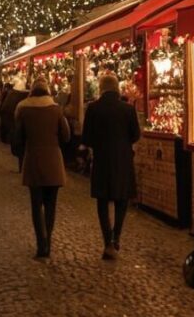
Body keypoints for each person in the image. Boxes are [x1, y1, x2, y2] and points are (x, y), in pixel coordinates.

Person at [81, 73, 141, 260]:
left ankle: (107, 241)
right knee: (121, 200)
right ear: (117, 88)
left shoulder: (93, 108)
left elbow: (87, 137)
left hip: (102, 160)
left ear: (101, 88)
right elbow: (136, 135)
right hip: (123, 160)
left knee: (102, 201)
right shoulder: (128, 109)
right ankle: (116, 237)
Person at [14, 79, 70, 259]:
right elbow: (66, 136)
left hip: (33, 161)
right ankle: (49, 241)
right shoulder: (56, 110)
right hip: (53, 162)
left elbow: (18, 137)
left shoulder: (24, 111)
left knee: (36, 205)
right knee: (51, 205)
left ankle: (41, 243)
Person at [1, 80, 29, 170]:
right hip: (25, 126)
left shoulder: (11, 96)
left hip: (14, 125)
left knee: (19, 145)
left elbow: (4, 109)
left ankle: (21, 166)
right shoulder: (27, 97)